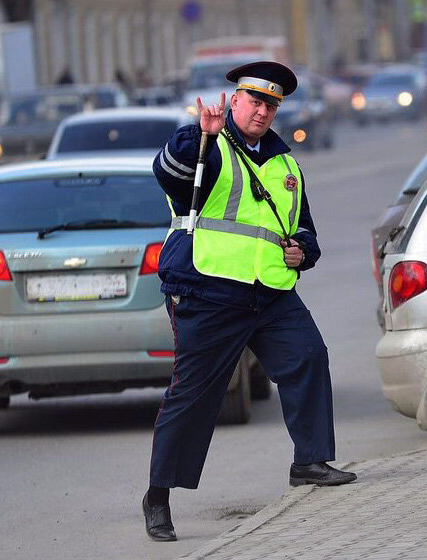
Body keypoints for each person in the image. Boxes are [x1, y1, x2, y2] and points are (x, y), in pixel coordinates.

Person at [143, 61, 356, 542]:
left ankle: (310, 462)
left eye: (270, 105)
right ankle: (158, 496)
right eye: (254, 101)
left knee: (308, 356)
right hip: (209, 289)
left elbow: (303, 228)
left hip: (271, 293)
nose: (261, 111)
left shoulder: (285, 165)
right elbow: (169, 175)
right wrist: (198, 136)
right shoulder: (208, 148)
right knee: (194, 395)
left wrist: (303, 252)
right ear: (235, 101)